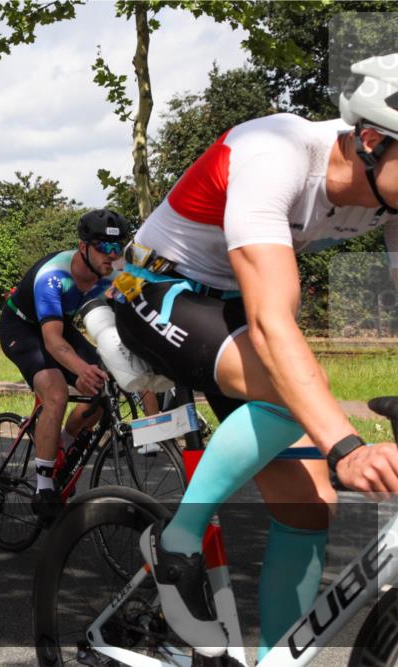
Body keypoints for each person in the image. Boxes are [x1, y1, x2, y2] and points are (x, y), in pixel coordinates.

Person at [108, 54, 398, 659]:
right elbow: (272, 320)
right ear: (371, 140)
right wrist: (347, 446)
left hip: (225, 308)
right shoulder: (277, 151)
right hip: (155, 287)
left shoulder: (388, 196)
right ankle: (176, 539)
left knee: (310, 507)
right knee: (293, 394)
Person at [0, 208, 131, 522]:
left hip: (58, 324)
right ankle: (44, 488)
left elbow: (138, 317)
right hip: (22, 327)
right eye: (103, 247)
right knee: (56, 392)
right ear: (83, 247)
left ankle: (62, 449)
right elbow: (53, 342)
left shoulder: (115, 274)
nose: (111, 255)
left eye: (117, 247)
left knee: (105, 383)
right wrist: (80, 369)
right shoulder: (53, 276)